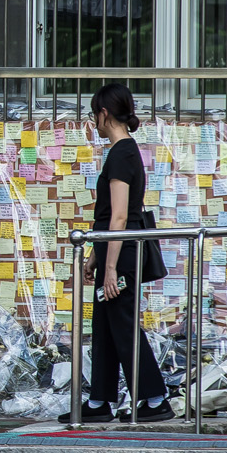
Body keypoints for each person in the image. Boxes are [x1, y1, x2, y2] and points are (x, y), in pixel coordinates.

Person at [62, 83, 170, 424]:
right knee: (107, 325)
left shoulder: (121, 153)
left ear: (104, 114)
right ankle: (99, 402)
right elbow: (111, 217)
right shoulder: (124, 152)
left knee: (122, 324)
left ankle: (155, 399)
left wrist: (109, 268)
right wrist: (96, 256)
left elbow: (120, 215)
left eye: (95, 114)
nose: (93, 122)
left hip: (121, 253)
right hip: (113, 248)